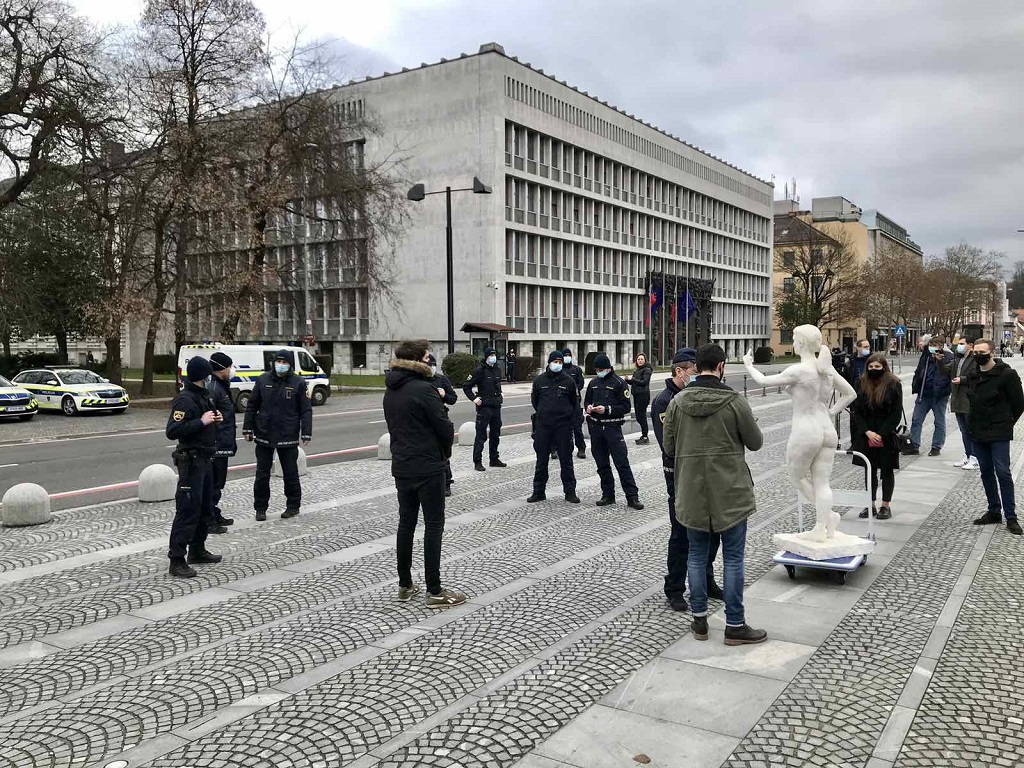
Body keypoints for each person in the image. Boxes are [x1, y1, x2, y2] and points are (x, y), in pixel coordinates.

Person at [664, 343, 765, 646]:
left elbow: (669, 448)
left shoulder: (677, 403)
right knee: (733, 559)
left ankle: (699, 623)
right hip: (731, 493)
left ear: (696, 367)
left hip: (692, 492)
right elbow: (756, 442)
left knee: (696, 556)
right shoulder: (734, 401)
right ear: (721, 367)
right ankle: (735, 624)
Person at [383, 340, 465, 606]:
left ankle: (405, 585)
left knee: (406, 525)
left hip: (402, 466)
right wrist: (444, 453)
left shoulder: (391, 389)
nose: (431, 361)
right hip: (429, 466)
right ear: (418, 360)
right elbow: (444, 428)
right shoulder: (424, 389)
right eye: (428, 357)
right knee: (433, 526)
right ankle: (435, 590)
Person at [651, 348, 722, 612]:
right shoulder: (665, 400)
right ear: (679, 371)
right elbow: (669, 445)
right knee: (681, 534)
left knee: (711, 531)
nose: (696, 376)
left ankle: (706, 581)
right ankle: (675, 588)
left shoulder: (699, 395)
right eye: (693, 371)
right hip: (679, 476)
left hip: (704, 474)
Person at [165, 356, 223, 578]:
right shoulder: (185, 400)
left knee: (205, 508)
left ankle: (197, 550)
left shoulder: (204, 396)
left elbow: (205, 420)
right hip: (191, 462)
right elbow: (172, 430)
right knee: (187, 510)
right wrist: (202, 422)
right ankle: (176, 559)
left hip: (206, 459)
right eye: (208, 375)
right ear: (202, 376)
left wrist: (213, 419)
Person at [243, 348, 312, 521]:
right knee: (262, 474)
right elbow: (252, 405)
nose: (281, 365)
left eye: (285, 362)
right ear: (274, 363)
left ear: (290, 365)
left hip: (287, 434)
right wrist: (247, 428)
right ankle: (260, 508)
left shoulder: (298, 383)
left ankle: (293, 505)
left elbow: (306, 410)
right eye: (278, 362)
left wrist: (306, 433)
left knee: (290, 473)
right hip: (264, 433)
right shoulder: (262, 380)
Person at [965, 339, 1024, 535]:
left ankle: (1011, 517)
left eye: (982, 352)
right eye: (976, 352)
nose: (978, 355)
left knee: (1003, 473)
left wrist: (1006, 422)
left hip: (999, 431)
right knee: (986, 472)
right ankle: (993, 510)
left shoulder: (1007, 374)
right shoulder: (973, 375)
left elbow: (1019, 404)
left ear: (991, 352)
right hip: (978, 431)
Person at [585, 353, 644, 510]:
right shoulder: (593, 383)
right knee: (602, 464)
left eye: (601, 369)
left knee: (622, 463)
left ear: (609, 368)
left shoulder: (619, 383)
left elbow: (625, 407)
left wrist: (607, 409)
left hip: (612, 428)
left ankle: (632, 497)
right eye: (597, 369)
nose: (599, 371)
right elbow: (586, 402)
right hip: (596, 429)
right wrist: (589, 408)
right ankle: (608, 494)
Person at [849, 354, 902, 520]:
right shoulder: (861, 383)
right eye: (870, 367)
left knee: (886, 470)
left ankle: (885, 506)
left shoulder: (893, 384)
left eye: (877, 367)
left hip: (885, 433)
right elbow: (856, 411)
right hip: (867, 432)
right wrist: (867, 432)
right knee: (869, 470)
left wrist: (881, 433)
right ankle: (869, 504)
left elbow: (896, 412)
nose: (873, 370)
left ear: (884, 368)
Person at [528, 351, 580, 504]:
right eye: (555, 361)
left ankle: (570, 492)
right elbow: (535, 402)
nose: (557, 364)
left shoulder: (569, 381)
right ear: (549, 362)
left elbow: (574, 404)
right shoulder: (539, 381)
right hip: (544, 425)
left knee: (566, 460)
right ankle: (538, 491)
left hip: (563, 425)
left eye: (560, 362)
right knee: (541, 460)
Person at [904, 334, 953, 457]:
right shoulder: (926, 356)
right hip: (924, 394)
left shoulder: (948, 357)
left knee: (939, 421)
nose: (931, 347)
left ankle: (936, 447)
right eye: (930, 345)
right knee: (916, 420)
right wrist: (916, 383)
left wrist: (939, 361)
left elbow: (948, 374)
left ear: (941, 346)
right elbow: (919, 370)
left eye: (934, 345)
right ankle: (914, 445)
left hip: (939, 395)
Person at [463, 347, 506, 472]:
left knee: (495, 434)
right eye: (491, 355)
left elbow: (497, 385)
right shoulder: (479, 370)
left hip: (496, 406)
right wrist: (474, 398)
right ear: (486, 357)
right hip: (484, 408)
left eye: (494, 355)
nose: (493, 357)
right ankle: (477, 461)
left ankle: (494, 459)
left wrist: (501, 394)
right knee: (481, 435)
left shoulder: (497, 369)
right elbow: (466, 386)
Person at [208, 352, 237, 531]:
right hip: (216, 444)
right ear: (221, 368)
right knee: (213, 484)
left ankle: (213, 513)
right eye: (230, 366)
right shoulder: (214, 387)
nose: (232, 370)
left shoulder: (220, 385)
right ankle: (209, 520)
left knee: (218, 484)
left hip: (223, 442)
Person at [427, 353, 458, 496]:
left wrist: (444, 394)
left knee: (443, 453)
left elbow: (453, 399)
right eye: (429, 365)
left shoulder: (441, 379)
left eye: (433, 365)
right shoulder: (419, 381)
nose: (431, 368)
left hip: (440, 418)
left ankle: (446, 482)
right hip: (424, 421)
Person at [946, 337, 978, 470]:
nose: (959, 346)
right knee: (964, 430)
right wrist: (937, 360)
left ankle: (975, 457)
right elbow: (945, 371)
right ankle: (968, 455)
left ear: (970, 345)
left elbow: (976, 375)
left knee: (971, 430)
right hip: (957, 397)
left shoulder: (975, 359)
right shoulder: (957, 358)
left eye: (961, 344)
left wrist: (963, 379)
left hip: (968, 398)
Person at [562, 348, 587, 459]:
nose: (567, 357)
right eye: (565, 355)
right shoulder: (560, 370)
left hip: (575, 402)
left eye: (569, 355)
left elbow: (581, 383)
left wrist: (575, 389)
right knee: (560, 427)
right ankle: (555, 449)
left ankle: (581, 448)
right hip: (562, 402)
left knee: (577, 427)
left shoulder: (576, 370)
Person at [625, 352, 653, 444]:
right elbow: (635, 383)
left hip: (643, 395)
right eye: (638, 359)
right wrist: (628, 380)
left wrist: (632, 379)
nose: (640, 361)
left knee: (642, 416)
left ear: (645, 360)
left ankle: (645, 436)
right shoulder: (637, 370)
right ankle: (643, 434)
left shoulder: (647, 370)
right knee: (638, 417)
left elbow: (644, 382)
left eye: (642, 359)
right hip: (636, 394)